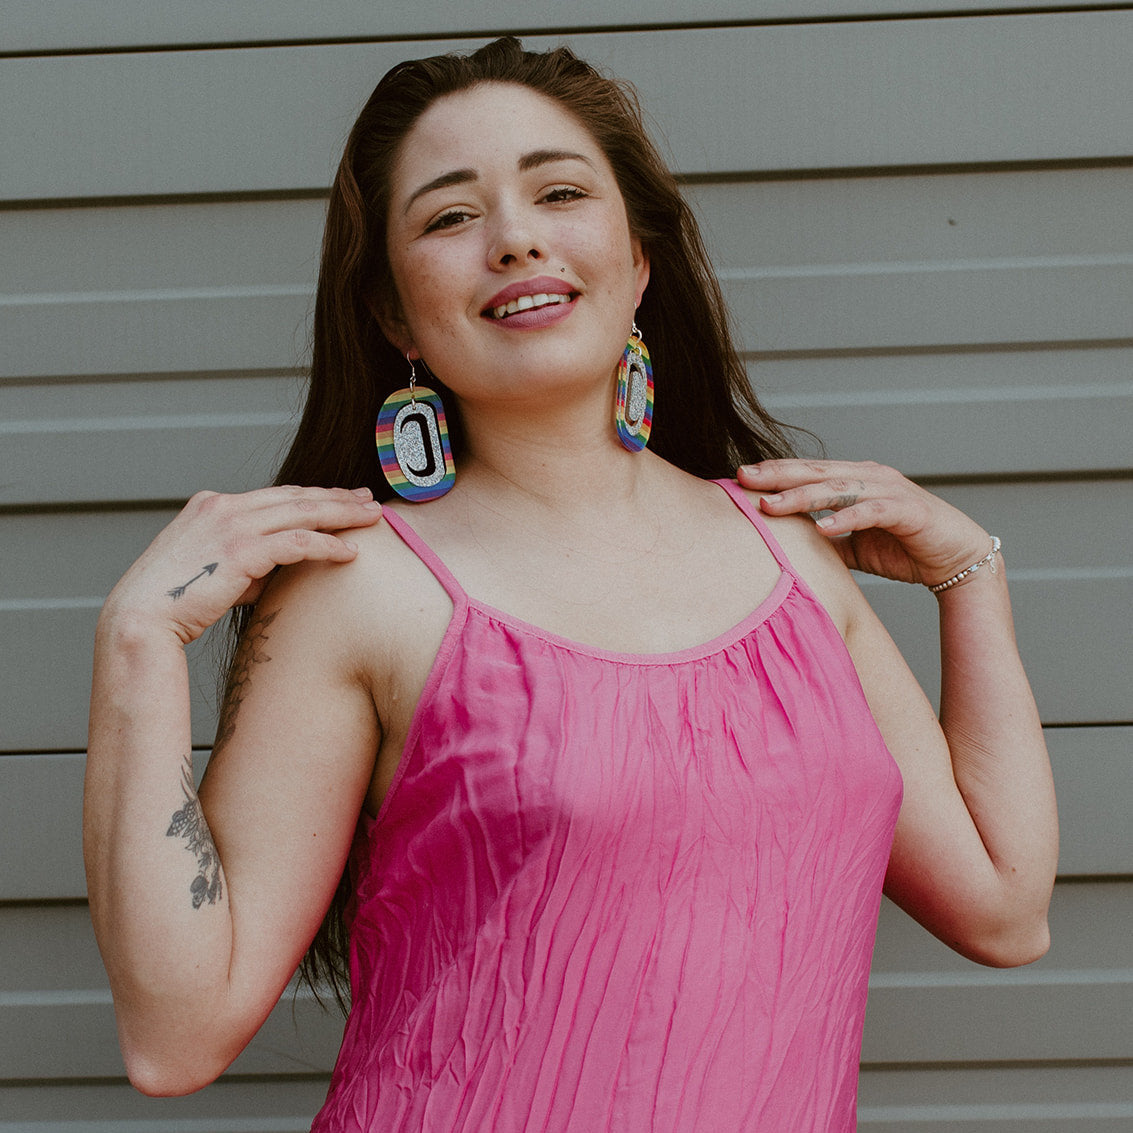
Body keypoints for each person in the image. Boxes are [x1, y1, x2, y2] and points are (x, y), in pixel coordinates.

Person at [84, 36, 1058, 1132]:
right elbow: (174, 1037)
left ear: (636, 260)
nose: (514, 238)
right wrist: (136, 643)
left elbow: (1004, 906)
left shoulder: (791, 559)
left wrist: (969, 577)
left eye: (557, 192)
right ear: (394, 315)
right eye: (450, 216)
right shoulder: (361, 592)